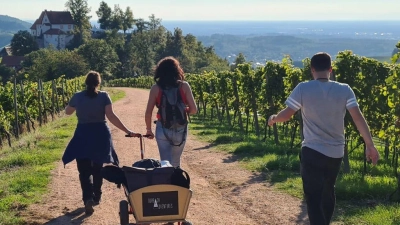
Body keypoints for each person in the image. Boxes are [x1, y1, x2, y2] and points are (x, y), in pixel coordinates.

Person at [267, 52, 380, 225]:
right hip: (336, 153)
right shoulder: (345, 89)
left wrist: (274, 118)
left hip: (312, 150)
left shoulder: (303, 88)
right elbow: (358, 117)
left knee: (313, 197)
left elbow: (287, 114)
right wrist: (370, 145)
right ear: (330, 69)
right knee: (328, 192)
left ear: (312, 69)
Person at [62, 71, 136, 215]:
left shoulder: (77, 96)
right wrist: (127, 130)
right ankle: (97, 196)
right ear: (98, 83)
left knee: (84, 170)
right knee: (97, 168)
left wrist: (70, 105)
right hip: (101, 134)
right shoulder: (104, 96)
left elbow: (68, 112)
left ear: (85, 82)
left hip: (83, 134)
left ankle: (88, 198)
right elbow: (111, 116)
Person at [145, 56, 197, 167]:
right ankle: (177, 183)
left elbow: (148, 113)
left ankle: (166, 182)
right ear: (177, 70)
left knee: (165, 162)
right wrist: (184, 110)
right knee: (176, 162)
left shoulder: (156, 88)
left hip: (162, 127)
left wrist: (149, 130)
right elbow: (194, 110)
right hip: (180, 128)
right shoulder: (184, 86)